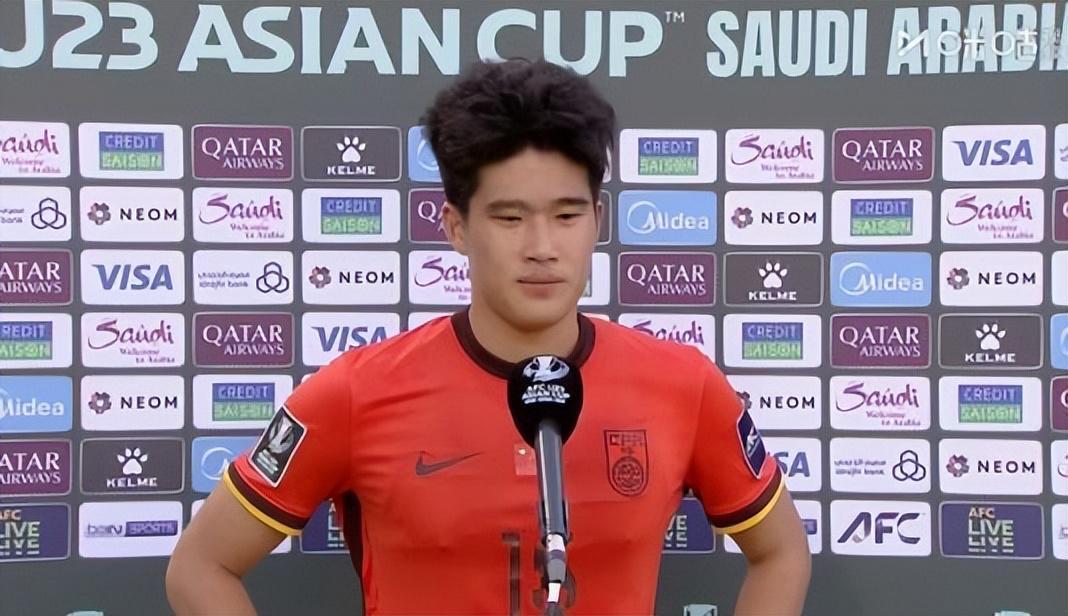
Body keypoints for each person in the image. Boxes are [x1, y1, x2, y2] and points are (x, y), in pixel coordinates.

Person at [166, 58, 811, 616]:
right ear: (456, 227)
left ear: (598, 220)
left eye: (567, 215)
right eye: (509, 218)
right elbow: (200, 567)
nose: (542, 247)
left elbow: (780, 550)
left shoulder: (682, 385)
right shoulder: (354, 393)